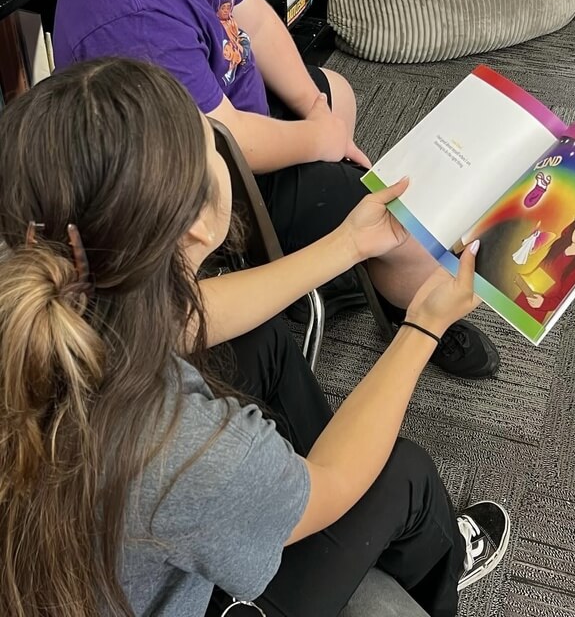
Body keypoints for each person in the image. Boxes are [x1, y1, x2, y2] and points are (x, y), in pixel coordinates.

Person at [0, 58, 510, 617]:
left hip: (93, 561)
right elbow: (331, 485)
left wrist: (348, 245)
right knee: (405, 475)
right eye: (209, 143)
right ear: (197, 224)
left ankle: (278, 502)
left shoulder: (48, 278)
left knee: (257, 342)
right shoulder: (180, 445)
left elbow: (188, 318)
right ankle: (435, 570)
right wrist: (423, 325)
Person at [52, 0, 499, 380]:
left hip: (229, 118)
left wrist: (316, 113)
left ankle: (332, 255)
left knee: (336, 91)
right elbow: (223, 138)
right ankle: (417, 312)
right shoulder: (131, 16)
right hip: (198, 187)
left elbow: (254, 20)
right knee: (397, 226)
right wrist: (316, 139)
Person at [515, 211, 575, 321]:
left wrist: (543, 303)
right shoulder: (558, 245)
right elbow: (540, 269)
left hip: (539, 305)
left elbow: (562, 296)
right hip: (527, 293)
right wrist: (523, 279)